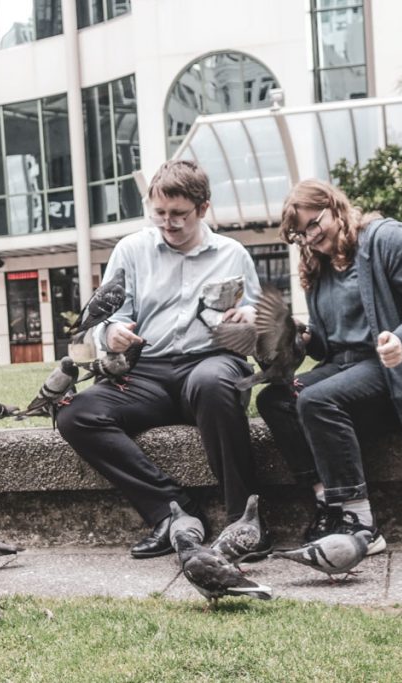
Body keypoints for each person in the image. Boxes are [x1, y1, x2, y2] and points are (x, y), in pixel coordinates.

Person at [57, 160, 265, 559]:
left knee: (214, 383)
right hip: (146, 371)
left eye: (178, 215)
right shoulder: (131, 250)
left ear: (203, 209)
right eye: (159, 213)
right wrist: (109, 334)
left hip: (211, 362)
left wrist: (252, 317)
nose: (167, 223)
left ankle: (245, 524)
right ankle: (174, 512)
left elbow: (257, 314)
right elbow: (110, 315)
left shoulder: (232, 254)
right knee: (74, 414)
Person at [256, 179, 402, 554]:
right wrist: (302, 339)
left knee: (316, 400)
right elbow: (330, 345)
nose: (309, 238)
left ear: (336, 206)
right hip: (348, 370)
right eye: (300, 235)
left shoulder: (389, 239)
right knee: (275, 400)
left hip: (399, 373)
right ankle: (325, 500)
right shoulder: (317, 264)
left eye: (313, 225)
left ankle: (360, 521)